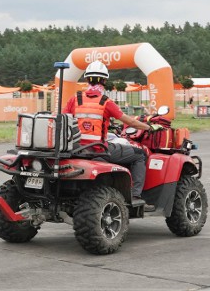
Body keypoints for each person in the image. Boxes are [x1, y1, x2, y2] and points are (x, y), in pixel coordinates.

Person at [62, 61, 159, 211]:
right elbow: (129, 121)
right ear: (105, 81)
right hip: (99, 150)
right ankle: (135, 196)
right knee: (139, 155)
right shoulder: (106, 102)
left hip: (77, 150)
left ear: (87, 79)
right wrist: (149, 127)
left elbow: (62, 119)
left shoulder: (75, 98)